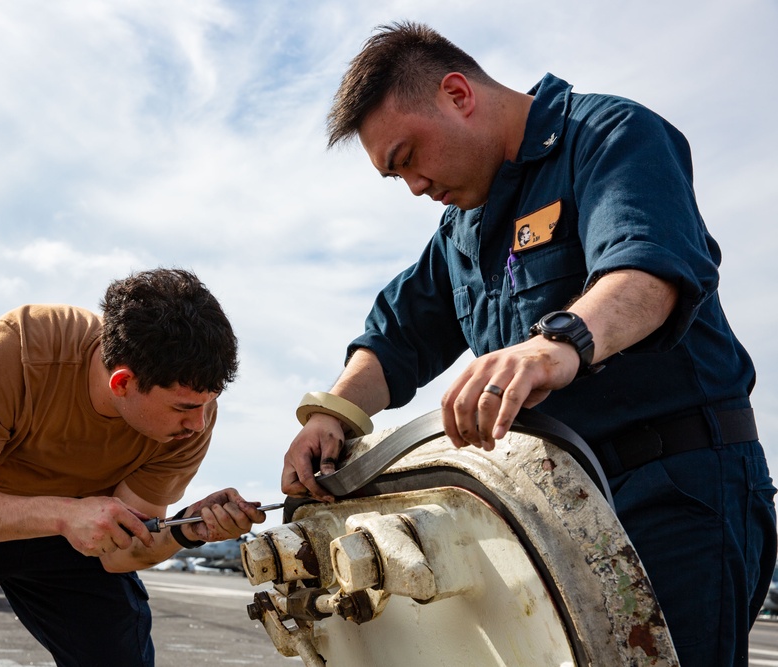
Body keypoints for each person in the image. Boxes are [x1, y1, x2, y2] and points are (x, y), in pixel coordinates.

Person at [281, 21, 776, 667]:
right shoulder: (462, 230)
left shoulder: (606, 137)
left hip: (672, 486)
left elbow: (648, 269)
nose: (415, 187)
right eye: (393, 176)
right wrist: (334, 412)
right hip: (553, 506)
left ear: (457, 93)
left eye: (408, 157)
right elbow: (396, 333)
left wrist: (555, 342)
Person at [0, 267, 266, 667]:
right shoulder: (18, 349)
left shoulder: (188, 423)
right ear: (122, 383)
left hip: (77, 525)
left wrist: (186, 530)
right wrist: (63, 515)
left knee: (119, 655)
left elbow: (120, 556)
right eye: (184, 408)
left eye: (209, 403)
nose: (199, 423)